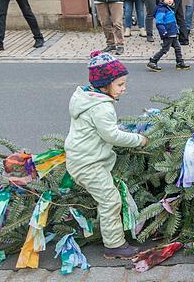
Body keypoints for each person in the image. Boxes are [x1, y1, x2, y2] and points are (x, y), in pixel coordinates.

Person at [65, 50, 148, 259]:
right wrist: (139, 139)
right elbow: (111, 135)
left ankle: (114, 239)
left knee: (107, 197)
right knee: (110, 201)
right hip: (88, 164)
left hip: (84, 159)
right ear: (104, 84)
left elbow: (104, 129)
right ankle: (114, 245)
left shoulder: (88, 99)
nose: (124, 89)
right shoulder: (101, 107)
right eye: (120, 84)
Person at [146, 0, 190, 71]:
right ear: (162, 0)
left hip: (173, 33)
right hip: (167, 33)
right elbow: (159, 22)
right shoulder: (162, 9)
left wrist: (177, 29)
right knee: (165, 49)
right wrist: (163, 31)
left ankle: (179, 62)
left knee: (177, 47)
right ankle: (153, 61)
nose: (169, 1)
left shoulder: (169, 8)